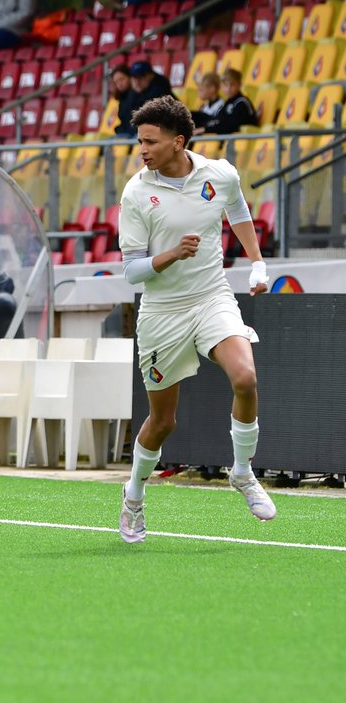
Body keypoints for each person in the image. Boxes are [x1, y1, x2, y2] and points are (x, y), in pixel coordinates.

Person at [117, 95, 275, 544]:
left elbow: (237, 210)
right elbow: (132, 271)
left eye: (150, 141)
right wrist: (171, 254)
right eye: (140, 141)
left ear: (178, 141)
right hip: (162, 313)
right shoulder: (136, 192)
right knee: (162, 422)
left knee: (245, 378)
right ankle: (134, 496)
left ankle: (242, 472)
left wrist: (257, 263)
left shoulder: (219, 174)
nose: (142, 150)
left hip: (211, 297)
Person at [202, 69, 258, 135]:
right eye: (225, 85)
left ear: (239, 84)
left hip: (245, 138)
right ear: (221, 86)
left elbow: (231, 125)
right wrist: (205, 127)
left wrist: (206, 129)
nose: (228, 88)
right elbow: (218, 119)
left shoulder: (242, 103)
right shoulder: (227, 103)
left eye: (232, 84)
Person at [109, 63, 137, 139]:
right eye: (116, 82)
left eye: (122, 79)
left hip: (137, 134)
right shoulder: (122, 98)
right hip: (128, 133)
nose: (119, 84)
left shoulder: (138, 94)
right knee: (106, 142)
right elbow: (124, 122)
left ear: (130, 77)